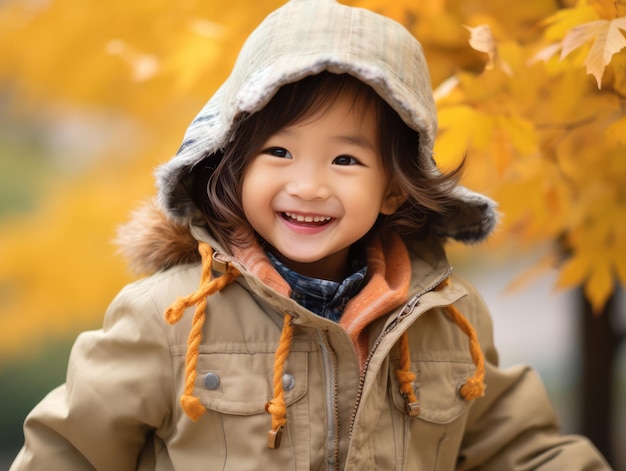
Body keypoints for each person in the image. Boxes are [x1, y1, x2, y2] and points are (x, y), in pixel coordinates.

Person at [11, 0, 612, 469]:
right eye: (278, 151)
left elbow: (519, 449)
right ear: (232, 164)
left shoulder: (445, 319)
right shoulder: (168, 316)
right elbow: (69, 453)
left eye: (346, 161)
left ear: (394, 188)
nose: (309, 185)